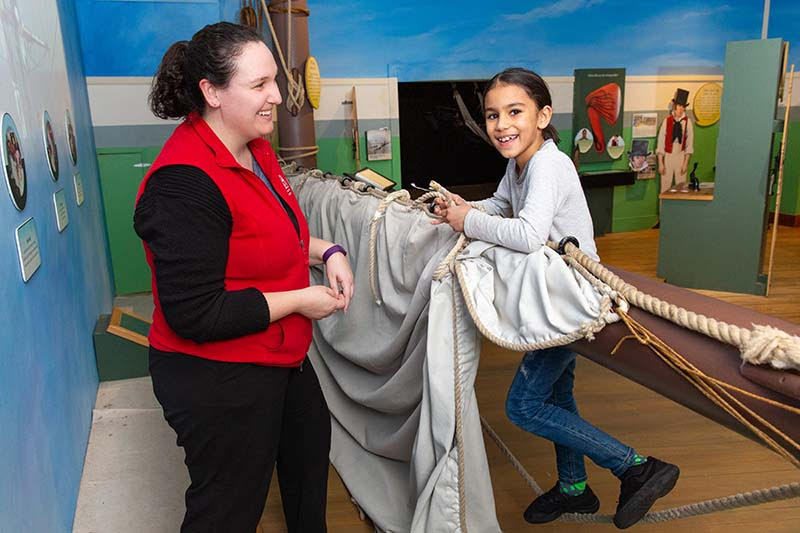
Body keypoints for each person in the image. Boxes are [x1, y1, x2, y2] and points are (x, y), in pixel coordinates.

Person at [433, 67, 679, 529]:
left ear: (543, 115)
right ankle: (574, 488)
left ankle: (636, 466)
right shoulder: (519, 163)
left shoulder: (550, 164)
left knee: (523, 406)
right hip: (548, 294)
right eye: (491, 116)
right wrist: (457, 206)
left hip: (570, 299)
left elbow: (526, 234)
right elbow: (502, 207)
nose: (501, 124)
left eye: (514, 112)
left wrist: (466, 221)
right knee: (558, 397)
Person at [133, 22, 354, 533]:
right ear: (211, 92)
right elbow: (197, 313)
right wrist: (300, 299)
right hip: (216, 375)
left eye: (274, 80)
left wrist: (329, 251)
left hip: (283, 358)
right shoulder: (182, 185)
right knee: (227, 512)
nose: (277, 95)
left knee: (307, 482)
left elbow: (276, 235)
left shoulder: (256, 149)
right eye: (259, 85)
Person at [656, 88, 694, 193]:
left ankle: (679, 209)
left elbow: (689, 144)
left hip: (681, 155)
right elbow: (661, 142)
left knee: (681, 186)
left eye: (683, 107)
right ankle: (662, 209)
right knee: (665, 186)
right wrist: (661, 162)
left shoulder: (688, 122)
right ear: (675, 106)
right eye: (679, 106)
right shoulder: (667, 121)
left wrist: (686, 162)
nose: (681, 109)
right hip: (668, 155)